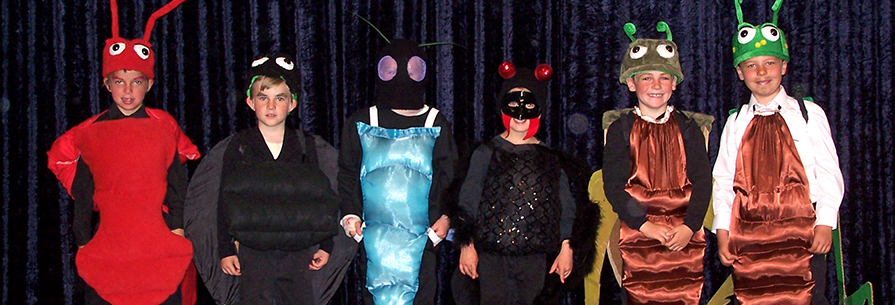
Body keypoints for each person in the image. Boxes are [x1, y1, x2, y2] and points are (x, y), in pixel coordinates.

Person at [46, 0, 199, 304]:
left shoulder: (162, 128)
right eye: (119, 82)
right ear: (107, 84)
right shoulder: (93, 133)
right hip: (111, 244)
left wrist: (178, 228)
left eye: (136, 82)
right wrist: (84, 241)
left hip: (157, 241)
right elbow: (85, 192)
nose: (128, 91)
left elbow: (177, 182)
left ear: (149, 84)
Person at [712, 1, 844, 304]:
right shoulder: (736, 122)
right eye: (751, 65)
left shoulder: (808, 113)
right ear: (740, 72)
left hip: (803, 232)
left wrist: (825, 222)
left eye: (769, 63)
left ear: (784, 66)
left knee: (807, 297)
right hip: (749, 236)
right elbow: (723, 179)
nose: (761, 72)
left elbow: (828, 171)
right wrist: (723, 230)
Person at [452, 62, 592, 304]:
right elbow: (468, 200)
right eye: (513, 104)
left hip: (534, 259)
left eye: (528, 105)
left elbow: (565, 207)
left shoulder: (550, 159)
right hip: (491, 257)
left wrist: (566, 246)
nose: (520, 113)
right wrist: (467, 244)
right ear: (503, 107)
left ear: (538, 112)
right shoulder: (486, 153)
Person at [337, 39, 458, 305]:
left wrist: (445, 220)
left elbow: (448, 176)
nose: (402, 77)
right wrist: (350, 216)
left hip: (422, 240)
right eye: (391, 70)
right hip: (373, 241)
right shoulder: (361, 121)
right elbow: (347, 172)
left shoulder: (435, 121)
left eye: (411, 70)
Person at [602, 22, 712, 305]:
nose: (656, 86)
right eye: (646, 78)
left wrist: (690, 226)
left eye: (664, 78)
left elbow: (702, 181)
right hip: (641, 236)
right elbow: (613, 185)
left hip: (684, 236)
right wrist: (644, 225)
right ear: (631, 82)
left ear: (674, 84)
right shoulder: (621, 129)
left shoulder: (688, 128)